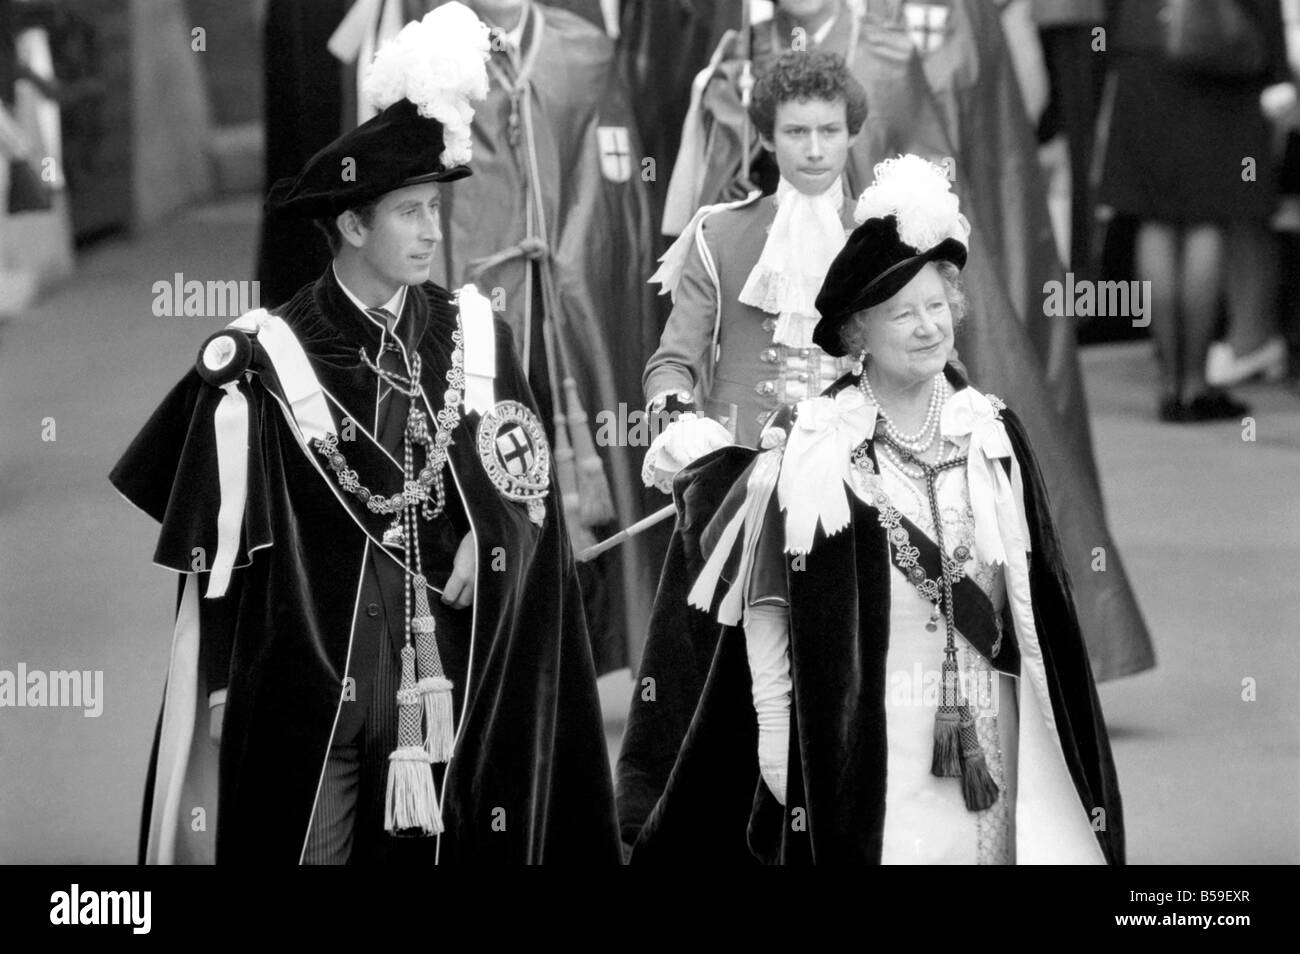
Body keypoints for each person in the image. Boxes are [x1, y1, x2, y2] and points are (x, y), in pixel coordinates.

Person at [110, 4, 620, 865]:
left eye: (433, 210)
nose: (433, 232)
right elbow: (220, 553)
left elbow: (526, 490)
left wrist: (487, 538)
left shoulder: (476, 337)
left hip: (447, 684)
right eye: (411, 213)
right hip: (316, 693)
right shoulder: (262, 361)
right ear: (352, 224)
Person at [617, 156, 1124, 864]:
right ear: (857, 333)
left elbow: (1042, 609)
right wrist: (774, 727)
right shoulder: (820, 443)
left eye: (937, 306)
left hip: (993, 729)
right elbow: (769, 605)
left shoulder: (992, 433)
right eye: (902, 313)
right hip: (875, 746)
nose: (927, 328)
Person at [430, 0, 659, 674]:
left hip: (565, 294)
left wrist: (568, 261)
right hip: (477, 294)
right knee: (492, 462)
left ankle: (583, 649)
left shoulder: (584, 52)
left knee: (574, 468)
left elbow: (615, 176)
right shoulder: (433, 56)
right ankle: (497, 650)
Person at [641, 50, 866, 482]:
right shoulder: (720, 233)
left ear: (852, 134)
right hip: (742, 467)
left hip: (859, 466)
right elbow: (671, 364)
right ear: (766, 137)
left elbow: (931, 365)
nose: (815, 150)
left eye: (830, 131)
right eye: (796, 132)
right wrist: (686, 426)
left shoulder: (883, 232)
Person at [1097, 0, 1290, 421]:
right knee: (1206, 218)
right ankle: (1195, 385)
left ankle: (1169, 385)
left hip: (1142, 48)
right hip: (1217, 44)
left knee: (1154, 219)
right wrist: (1279, 71)